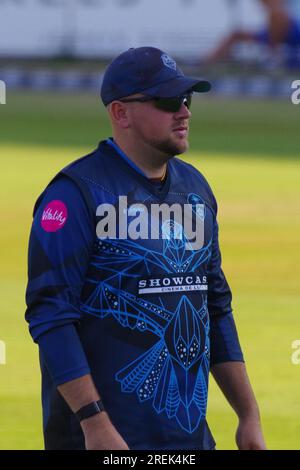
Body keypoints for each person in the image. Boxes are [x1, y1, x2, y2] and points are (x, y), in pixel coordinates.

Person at [25, 46, 266, 450]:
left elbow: (215, 306)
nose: (185, 111)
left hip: (189, 440)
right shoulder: (73, 196)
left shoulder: (196, 190)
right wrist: (94, 425)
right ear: (121, 113)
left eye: (187, 100)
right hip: (102, 439)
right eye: (168, 100)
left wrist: (248, 416)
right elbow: (51, 316)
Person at [205, 0, 300, 64]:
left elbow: (279, 13)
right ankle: (207, 63)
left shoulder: (279, 14)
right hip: (281, 31)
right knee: (236, 34)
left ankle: (274, 55)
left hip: (293, 28)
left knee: (276, 14)